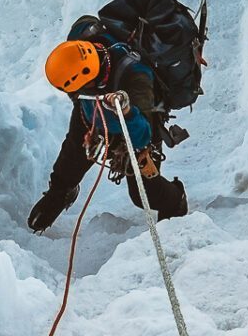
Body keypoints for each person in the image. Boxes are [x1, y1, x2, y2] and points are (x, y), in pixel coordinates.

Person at [27, 14, 191, 231]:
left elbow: (143, 134)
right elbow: (85, 21)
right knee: (75, 149)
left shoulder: (136, 76)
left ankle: (175, 201)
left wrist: (126, 111)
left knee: (143, 193)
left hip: (136, 120)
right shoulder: (82, 48)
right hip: (93, 109)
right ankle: (60, 192)